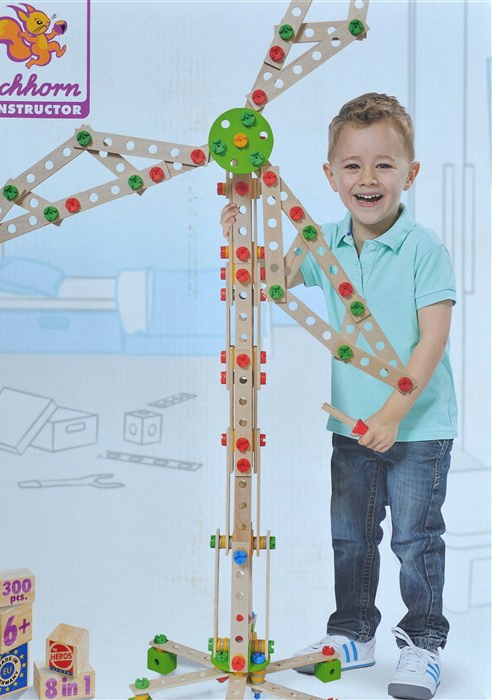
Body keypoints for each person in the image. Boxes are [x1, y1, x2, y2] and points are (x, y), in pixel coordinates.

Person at [220, 93, 457, 700]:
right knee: (352, 535)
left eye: (384, 164)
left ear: (410, 173)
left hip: (418, 426)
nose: (367, 179)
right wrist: (242, 229)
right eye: (352, 165)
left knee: (414, 539)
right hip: (351, 425)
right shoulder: (320, 241)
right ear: (330, 175)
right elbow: (271, 279)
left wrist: (393, 413)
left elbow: (432, 341)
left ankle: (423, 643)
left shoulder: (424, 248)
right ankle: (353, 633)